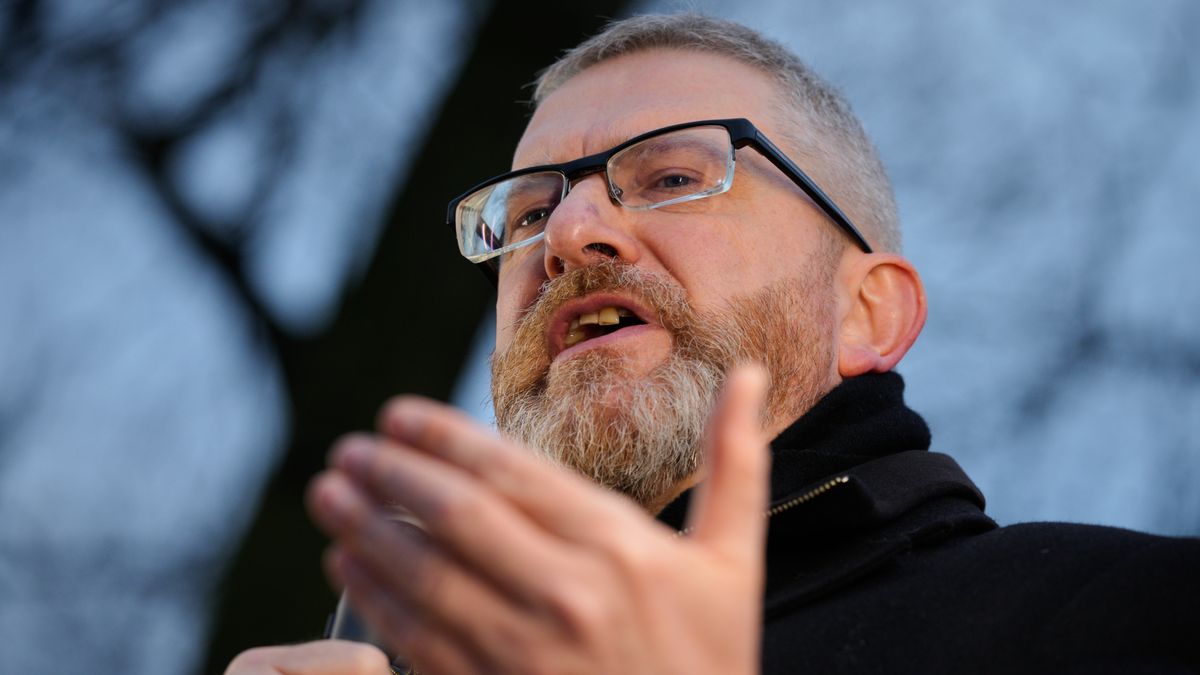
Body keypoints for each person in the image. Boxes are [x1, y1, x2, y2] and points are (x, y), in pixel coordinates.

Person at [226, 13, 1199, 675]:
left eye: (672, 178)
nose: (567, 233)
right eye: (526, 215)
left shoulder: (1129, 617)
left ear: (870, 312)